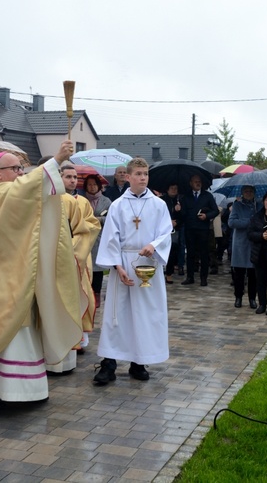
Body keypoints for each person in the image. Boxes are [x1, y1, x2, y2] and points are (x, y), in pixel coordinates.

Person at [0, 141, 83, 403]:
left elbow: (33, 198)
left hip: (9, 273)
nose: (20, 173)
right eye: (14, 168)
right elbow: (27, 189)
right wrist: (57, 158)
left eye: (21, 168)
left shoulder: (5, 194)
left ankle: (12, 392)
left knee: (15, 331)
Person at [93, 157, 172, 385]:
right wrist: (118, 267)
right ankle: (109, 364)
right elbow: (110, 238)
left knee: (146, 315)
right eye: (138, 174)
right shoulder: (118, 205)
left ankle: (140, 362)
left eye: (145, 174)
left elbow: (166, 233)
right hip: (123, 264)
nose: (143, 178)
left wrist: (153, 246)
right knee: (117, 316)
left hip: (148, 264)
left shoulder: (158, 204)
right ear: (127, 177)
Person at [47, 159, 101, 372]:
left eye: (74, 177)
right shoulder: (51, 199)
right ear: (59, 178)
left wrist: (71, 246)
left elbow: (90, 225)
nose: (71, 180)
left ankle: (78, 336)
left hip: (77, 254)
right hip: (52, 255)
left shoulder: (82, 202)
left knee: (79, 293)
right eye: (67, 176)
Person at [180, 174, 219, 286]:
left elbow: (215, 211)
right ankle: (190, 277)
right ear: (191, 183)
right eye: (195, 181)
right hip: (190, 229)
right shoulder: (186, 197)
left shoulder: (207, 196)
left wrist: (206, 216)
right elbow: (183, 214)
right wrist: (178, 209)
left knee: (204, 254)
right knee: (191, 254)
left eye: (199, 181)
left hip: (203, 229)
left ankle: (203, 278)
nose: (198, 183)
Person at [229, 185, 259, 309]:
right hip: (240, 243)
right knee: (239, 274)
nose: (248, 193)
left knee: (253, 274)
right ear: (242, 193)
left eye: (251, 191)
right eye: (246, 191)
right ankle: (238, 297)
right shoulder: (237, 205)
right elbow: (232, 222)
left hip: (254, 243)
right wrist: (248, 222)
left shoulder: (259, 205)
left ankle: (252, 298)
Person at [84, 174, 112, 307]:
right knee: (85, 267)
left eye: (94, 184)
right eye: (89, 184)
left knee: (97, 268)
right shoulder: (81, 199)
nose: (92, 187)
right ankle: (86, 295)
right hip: (84, 237)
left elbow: (111, 219)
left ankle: (96, 296)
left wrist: (99, 219)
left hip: (100, 238)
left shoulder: (106, 201)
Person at [161, 183, 182, 284]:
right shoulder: (161, 200)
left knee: (173, 250)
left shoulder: (179, 200)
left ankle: (169, 273)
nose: (174, 190)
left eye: (176, 188)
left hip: (174, 229)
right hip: (162, 229)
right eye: (172, 188)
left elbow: (184, 215)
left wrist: (177, 220)